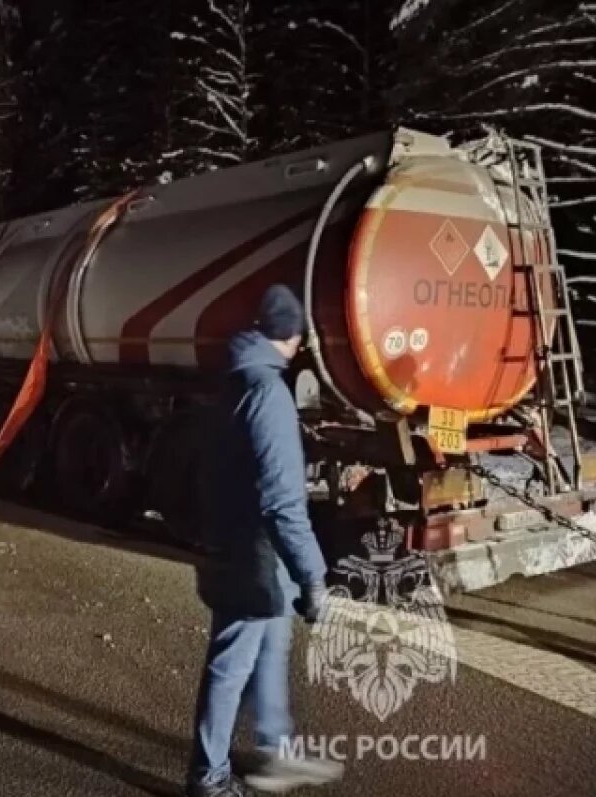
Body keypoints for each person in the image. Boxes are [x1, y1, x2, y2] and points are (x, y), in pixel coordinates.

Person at [187, 285, 343, 796]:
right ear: (292, 337)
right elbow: (282, 501)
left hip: (234, 541)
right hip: (251, 552)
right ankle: (209, 778)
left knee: (271, 644)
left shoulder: (232, 381)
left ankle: (277, 750)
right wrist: (312, 575)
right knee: (231, 663)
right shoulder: (268, 392)